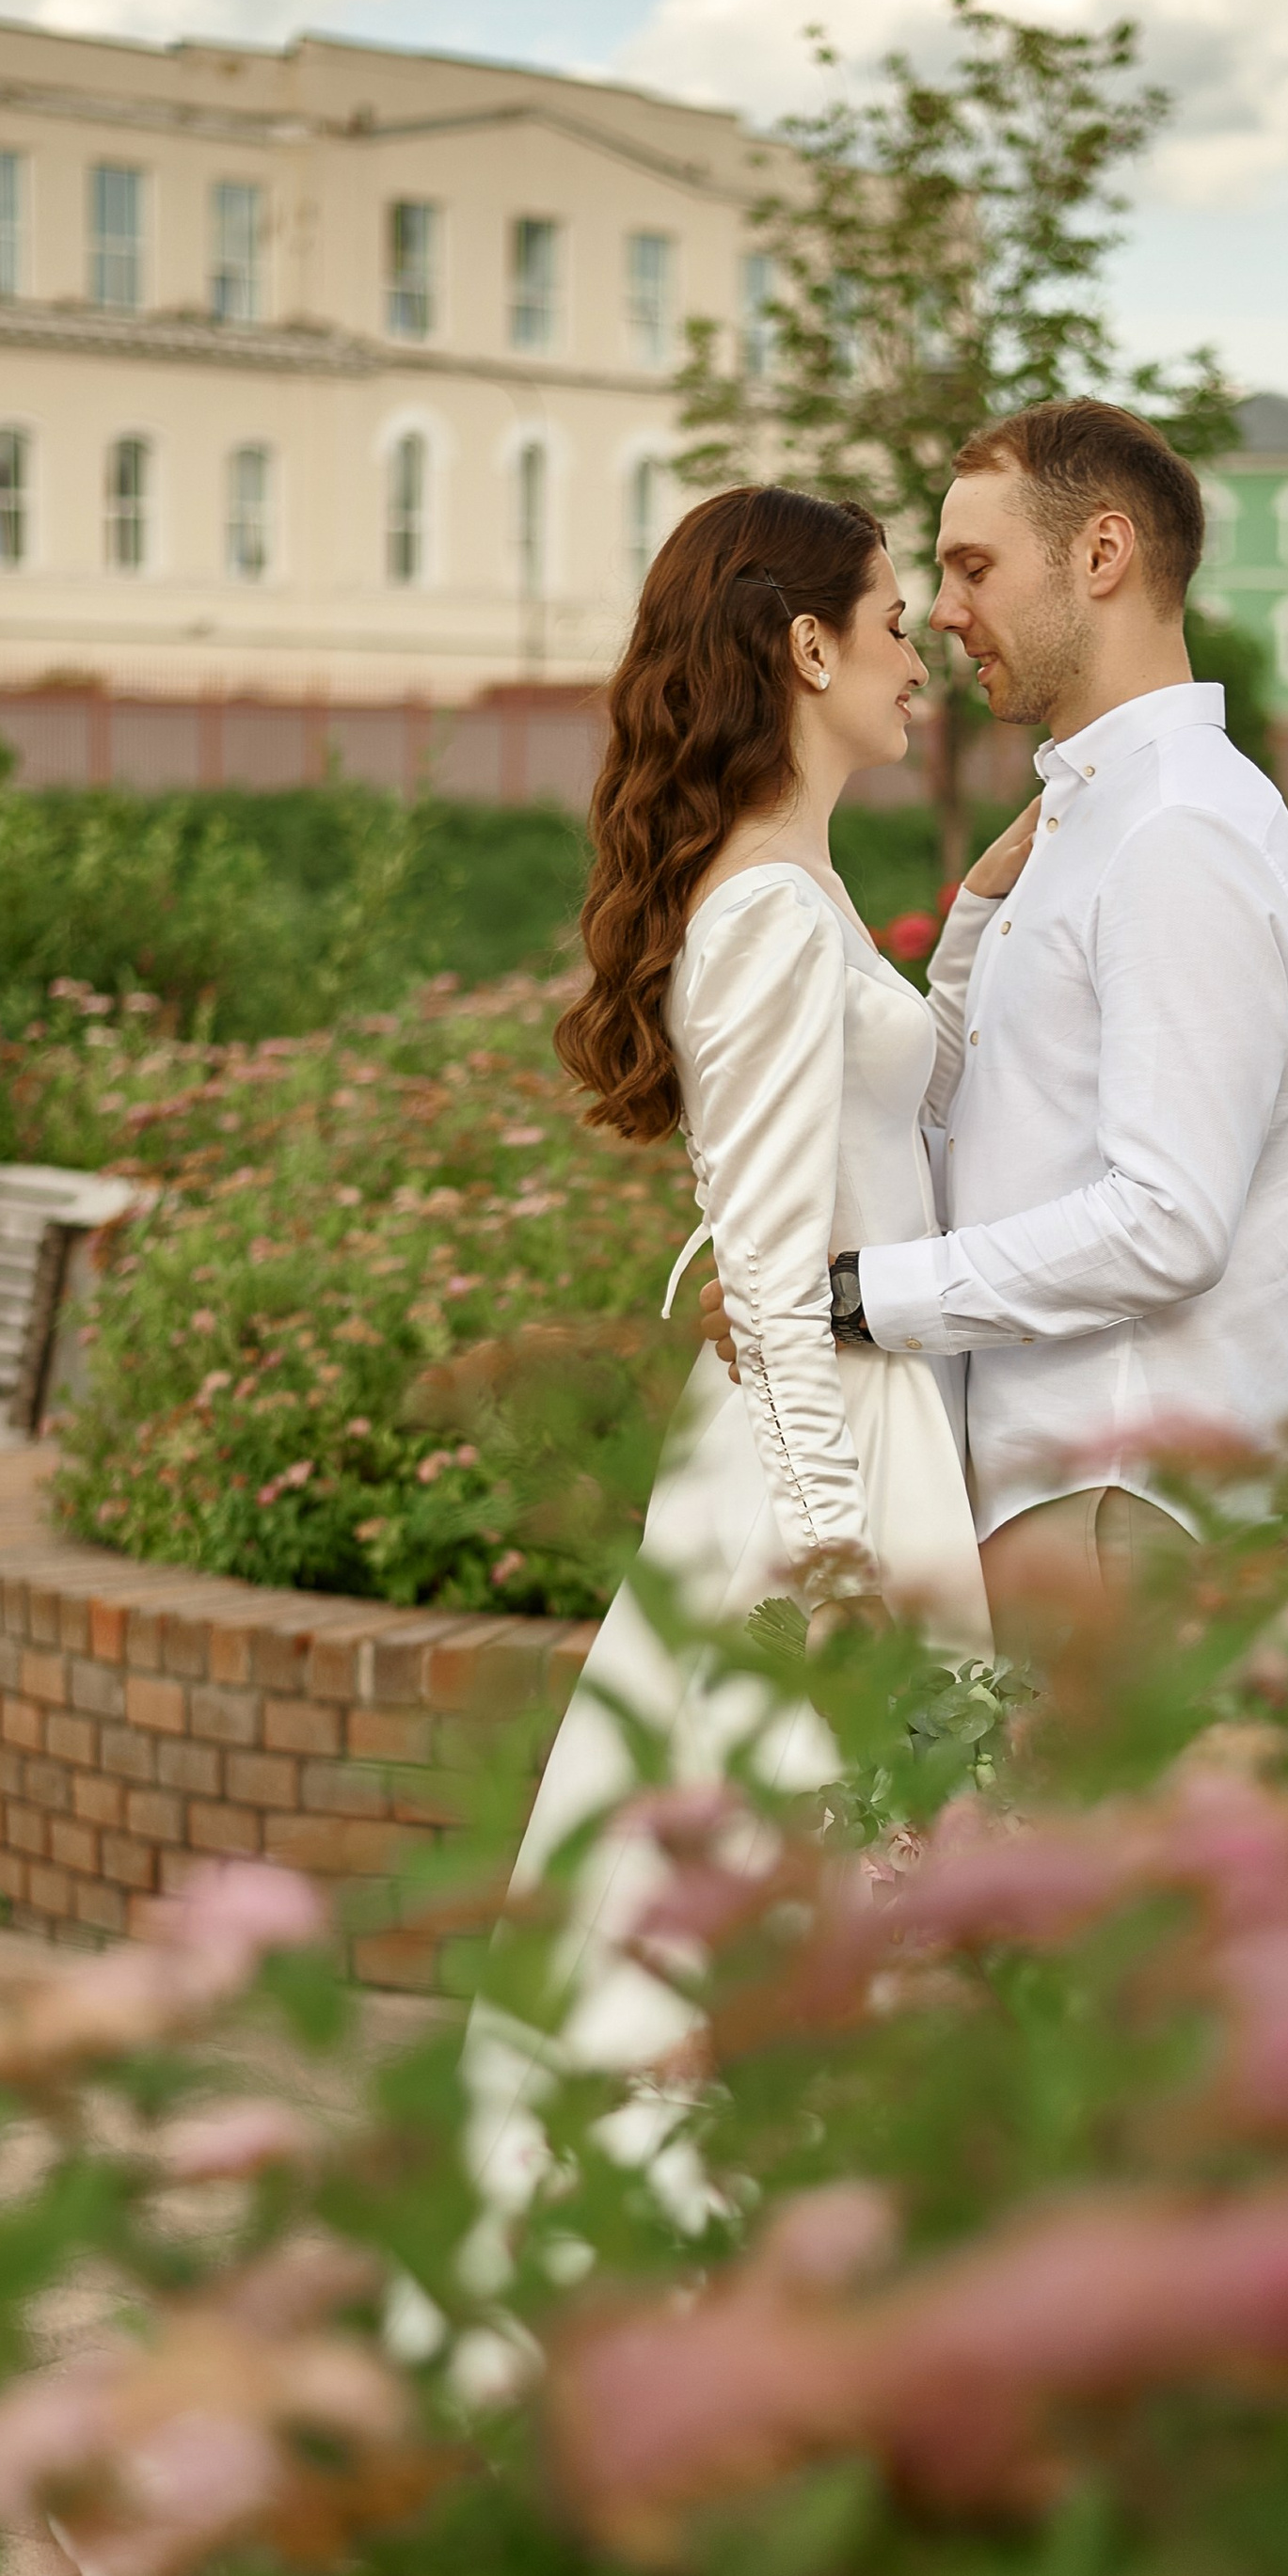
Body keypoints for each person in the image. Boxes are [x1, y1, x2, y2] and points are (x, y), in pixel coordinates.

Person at [478, 483, 991, 2107]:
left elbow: (898, 1111)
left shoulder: (800, 889)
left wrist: (971, 914)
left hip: (852, 1411)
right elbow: (771, 1281)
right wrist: (838, 1588)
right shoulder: (769, 912)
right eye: (902, 625)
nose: (924, 661)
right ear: (808, 643)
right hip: (822, 1457)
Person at [703, 400, 1288, 1640]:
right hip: (1042, 1486)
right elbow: (995, 1131)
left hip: (1112, 1497)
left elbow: (1167, 1222)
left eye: (973, 566)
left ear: (1101, 558)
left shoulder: (1178, 831)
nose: (940, 609)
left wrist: (853, 1296)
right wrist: (974, 939)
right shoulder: (1088, 823)